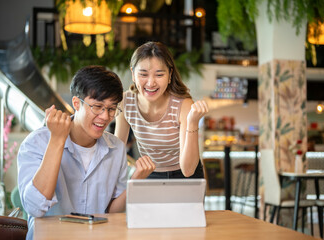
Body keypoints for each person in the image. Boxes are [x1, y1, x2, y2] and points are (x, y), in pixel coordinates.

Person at [17, 66, 154, 239]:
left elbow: (111, 212)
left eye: (112, 109)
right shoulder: (37, 142)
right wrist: (57, 140)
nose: (105, 116)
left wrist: (135, 181)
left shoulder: (116, 148)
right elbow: (36, 208)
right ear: (76, 103)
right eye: (97, 107)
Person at [115, 42, 209, 179]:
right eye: (143, 74)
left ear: (170, 75)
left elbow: (188, 170)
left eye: (159, 75)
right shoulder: (125, 102)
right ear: (133, 74)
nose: (151, 83)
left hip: (184, 175)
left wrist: (193, 122)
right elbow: (118, 150)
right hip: (149, 173)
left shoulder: (183, 105)